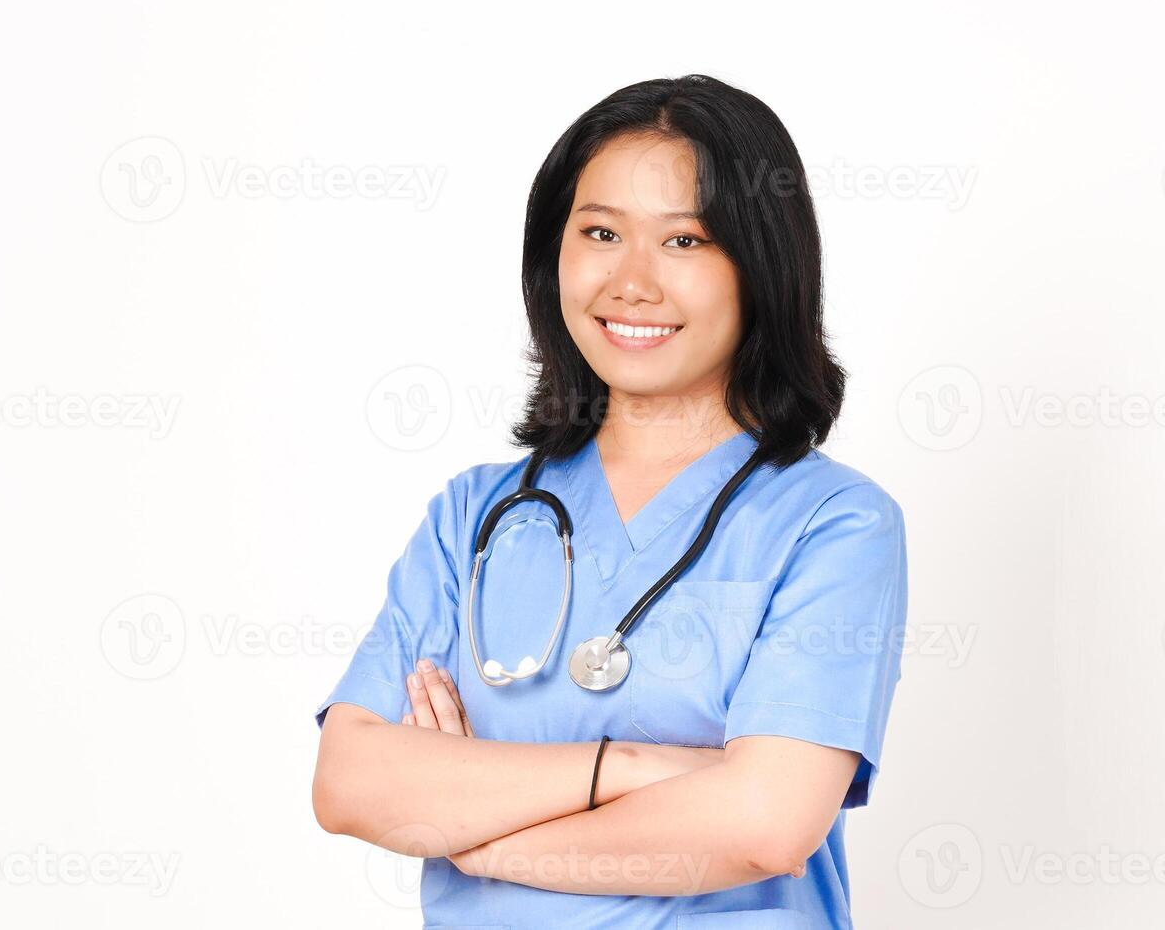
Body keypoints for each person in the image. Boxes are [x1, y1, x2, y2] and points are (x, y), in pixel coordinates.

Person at [310, 74, 909, 929]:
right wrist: (623, 768)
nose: (632, 281)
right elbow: (351, 783)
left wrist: (480, 842)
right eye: (600, 232)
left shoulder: (833, 525)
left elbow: (765, 826)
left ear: (762, 267)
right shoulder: (473, 518)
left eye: (685, 242)